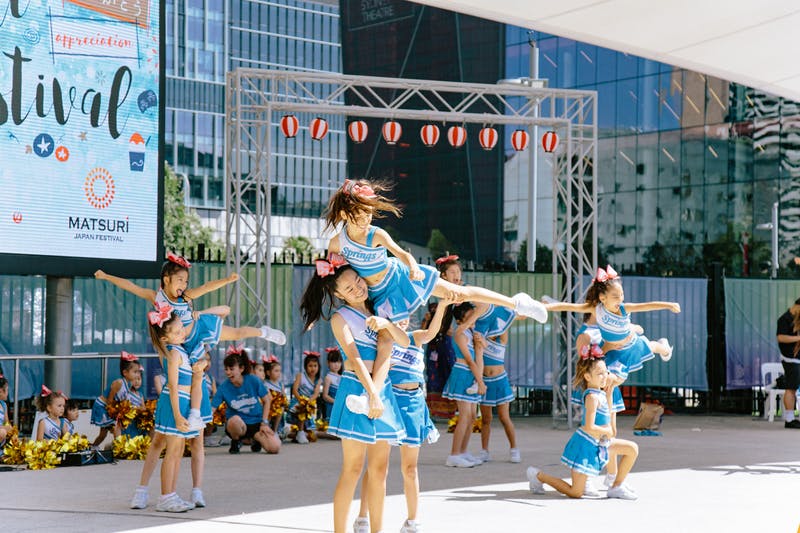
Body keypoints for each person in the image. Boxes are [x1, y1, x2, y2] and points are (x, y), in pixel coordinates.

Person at [96, 253, 286, 431]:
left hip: (197, 331)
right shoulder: (156, 297)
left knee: (236, 334)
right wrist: (106, 276)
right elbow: (130, 286)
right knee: (195, 376)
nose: (184, 284)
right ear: (166, 279)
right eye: (180, 280)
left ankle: (264, 332)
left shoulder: (185, 296)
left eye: (186, 281)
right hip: (180, 344)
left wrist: (227, 280)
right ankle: (193, 414)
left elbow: (206, 287)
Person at [299, 257, 408, 533]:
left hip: (381, 392)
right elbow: (355, 358)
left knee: (380, 470)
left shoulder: (381, 308)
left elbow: (392, 347)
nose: (357, 288)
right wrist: (371, 393)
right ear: (337, 294)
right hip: (356, 390)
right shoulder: (340, 318)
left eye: (357, 281)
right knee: (353, 468)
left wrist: (378, 393)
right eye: (348, 288)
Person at [354, 296, 453, 533]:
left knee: (410, 468)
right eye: (396, 317)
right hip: (389, 403)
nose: (402, 321)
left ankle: (412, 521)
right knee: (377, 467)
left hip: (414, 404)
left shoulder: (415, 338)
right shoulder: (383, 339)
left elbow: (432, 332)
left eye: (405, 316)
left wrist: (442, 305)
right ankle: (363, 517)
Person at [543, 265, 680, 415]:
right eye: (616, 296)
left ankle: (664, 346)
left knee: (653, 347)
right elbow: (569, 306)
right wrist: (546, 307)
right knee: (608, 379)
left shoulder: (623, 308)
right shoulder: (596, 309)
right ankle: (606, 416)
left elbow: (647, 306)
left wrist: (669, 305)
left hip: (629, 345)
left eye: (622, 295)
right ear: (603, 298)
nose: (620, 299)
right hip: (612, 350)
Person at [526, 351, 639, 500]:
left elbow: (609, 421)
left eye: (606, 372)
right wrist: (607, 431)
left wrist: (610, 394)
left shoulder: (602, 394)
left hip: (601, 443)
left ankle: (616, 486)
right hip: (586, 446)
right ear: (587, 376)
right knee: (575, 492)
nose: (605, 376)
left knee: (632, 449)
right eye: (600, 373)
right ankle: (538, 476)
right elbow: (589, 427)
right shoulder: (592, 397)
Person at [147, 306, 204, 513]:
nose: (182, 333)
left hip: (183, 401)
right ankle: (165, 497)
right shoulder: (172, 354)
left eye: (182, 329)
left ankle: (171, 493)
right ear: (165, 339)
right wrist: (178, 414)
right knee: (172, 451)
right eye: (177, 331)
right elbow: (171, 385)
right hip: (174, 404)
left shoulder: (181, 350)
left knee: (179, 450)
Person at [442, 303, 486, 467]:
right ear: (461, 319)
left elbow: (478, 356)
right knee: (465, 416)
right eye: (469, 315)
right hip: (462, 374)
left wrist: (480, 346)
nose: (474, 318)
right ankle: (454, 454)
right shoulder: (459, 332)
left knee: (472, 417)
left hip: (471, 375)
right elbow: (468, 360)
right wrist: (480, 382)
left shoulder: (471, 332)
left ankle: (463, 451)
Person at [212, 350, 281, 454]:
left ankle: (256, 440)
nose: (228, 372)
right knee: (234, 420)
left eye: (231, 369)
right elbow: (212, 408)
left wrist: (264, 423)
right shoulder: (223, 388)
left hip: (256, 423)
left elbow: (267, 400)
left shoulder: (253, 380)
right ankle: (236, 441)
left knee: (274, 448)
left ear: (241, 369)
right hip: (238, 426)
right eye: (226, 369)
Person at [90, 351, 141, 448]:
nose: (137, 374)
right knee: (115, 427)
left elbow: (123, 401)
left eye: (138, 372)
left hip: (111, 407)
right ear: (125, 372)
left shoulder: (128, 385)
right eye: (135, 372)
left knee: (104, 433)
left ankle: (94, 446)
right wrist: (116, 413)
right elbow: (110, 400)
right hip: (103, 406)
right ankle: (118, 447)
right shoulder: (119, 383)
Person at [776, 297, 800, 428]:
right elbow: (780, 337)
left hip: (798, 358)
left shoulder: (798, 319)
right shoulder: (784, 319)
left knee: (794, 387)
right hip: (790, 358)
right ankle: (789, 419)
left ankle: (792, 418)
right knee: (791, 387)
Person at [288, 351, 322, 444]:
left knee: (312, 436)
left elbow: (316, 393)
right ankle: (300, 432)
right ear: (305, 367)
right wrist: (301, 400)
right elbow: (295, 390)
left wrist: (309, 401)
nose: (313, 368)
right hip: (297, 401)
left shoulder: (318, 380)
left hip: (309, 403)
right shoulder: (301, 376)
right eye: (310, 366)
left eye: (315, 366)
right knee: (302, 409)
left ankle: (298, 433)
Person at [263, 356, 287, 436]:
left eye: (279, 371)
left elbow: (283, 396)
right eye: (276, 371)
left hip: (277, 407)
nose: (279, 373)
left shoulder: (280, 384)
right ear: (268, 373)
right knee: (270, 409)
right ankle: (266, 427)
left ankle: (275, 430)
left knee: (281, 408)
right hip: (268, 405)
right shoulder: (265, 384)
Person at [322, 347, 343, 421]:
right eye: (334, 362)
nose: (336, 364)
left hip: (342, 406)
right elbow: (325, 396)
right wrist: (337, 402)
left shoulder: (343, 376)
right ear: (328, 363)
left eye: (339, 362)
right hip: (332, 407)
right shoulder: (328, 377)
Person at [0, 374, 9, 452]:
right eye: (7, 390)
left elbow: (7, 422)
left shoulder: (3, 405)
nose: (8, 393)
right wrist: (3, 428)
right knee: (2, 432)